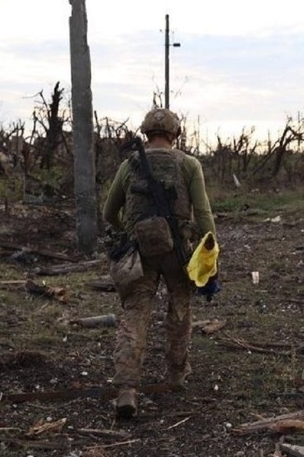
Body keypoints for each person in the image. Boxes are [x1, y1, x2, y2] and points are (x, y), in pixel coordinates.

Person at [102, 108, 217, 419]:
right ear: (175, 134)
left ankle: (126, 388)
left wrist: (128, 230)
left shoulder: (130, 165)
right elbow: (203, 213)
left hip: (138, 251)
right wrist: (210, 250)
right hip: (179, 250)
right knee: (180, 310)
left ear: (145, 133)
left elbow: (109, 213)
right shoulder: (189, 164)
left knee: (135, 313)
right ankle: (177, 375)